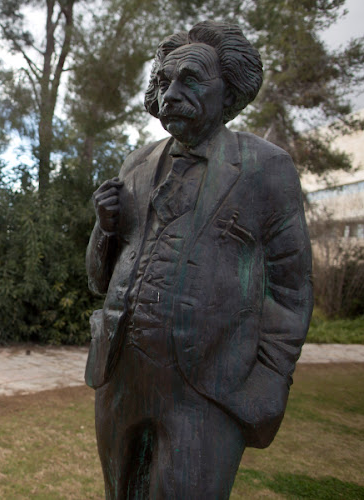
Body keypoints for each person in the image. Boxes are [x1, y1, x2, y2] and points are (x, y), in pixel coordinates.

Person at [85, 21, 313, 499]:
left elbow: (291, 291)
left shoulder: (266, 169)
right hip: (121, 379)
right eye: (165, 81)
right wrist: (105, 229)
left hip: (209, 390)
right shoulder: (137, 164)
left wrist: (269, 382)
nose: (171, 94)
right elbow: (99, 279)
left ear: (228, 92)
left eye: (190, 80)